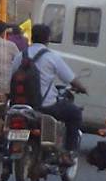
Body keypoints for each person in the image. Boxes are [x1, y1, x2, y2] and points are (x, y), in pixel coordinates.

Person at [15, 24, 85, 157]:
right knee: (75, 113)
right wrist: (82, 88)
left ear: (32, 37)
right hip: (46, 105)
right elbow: (70, 79)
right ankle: (68, 152)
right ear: (48, 39)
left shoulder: (20, 56)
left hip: (22, 105)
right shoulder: (52, 57)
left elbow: (11, 77)